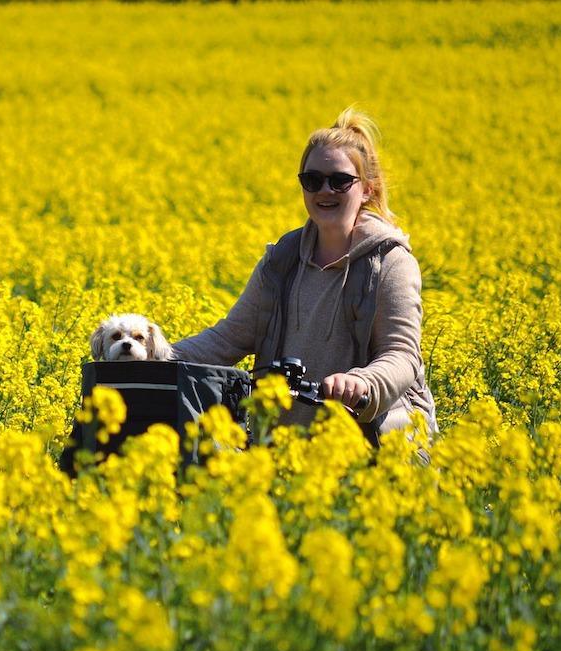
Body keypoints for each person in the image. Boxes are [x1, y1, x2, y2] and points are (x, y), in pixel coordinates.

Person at [172, 107, 437, 446]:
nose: (325, 190)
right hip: (287, 452)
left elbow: (401, 354)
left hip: (377, 448)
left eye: (340, 181)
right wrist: (153, 356)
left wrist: (363, 383)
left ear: (368, 189)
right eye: (312, 180)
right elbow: (227, 339)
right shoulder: (282, 260)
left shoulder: (389, 261)